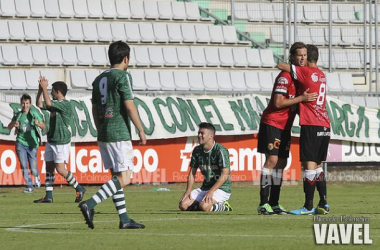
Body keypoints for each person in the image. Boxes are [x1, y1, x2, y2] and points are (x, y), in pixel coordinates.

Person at [78, 41, 147, 230]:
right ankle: (89, 204)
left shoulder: (98, 78)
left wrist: (100, 127)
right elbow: (129, 105)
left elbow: (94, 108)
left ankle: (124, 219)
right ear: (126, 58)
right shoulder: (123, 76)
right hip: (119, 132)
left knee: (116, 177)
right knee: (125, 178)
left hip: (104, 132)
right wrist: (140, 129)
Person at [257, 42, 318, 215]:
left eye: (305, 55)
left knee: (281, 163)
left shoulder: (301, 77)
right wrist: (301, 98)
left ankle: (274, 203)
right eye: (299, 55)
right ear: (292, 57)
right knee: (272, 161)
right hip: (272, 123)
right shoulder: (285, 76)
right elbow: (278, 103)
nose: (302, 58)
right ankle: (263, 203)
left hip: (285, 126)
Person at [277, 44, 330, 215]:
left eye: (304, 56)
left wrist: (295, 65)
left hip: (311, 124)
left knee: (309, 165)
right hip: (324, 124)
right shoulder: (321, 75)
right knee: (319, 166)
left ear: (307, 59)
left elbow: (280, 65)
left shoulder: (306, 72)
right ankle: (323, 203)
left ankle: (308, 206)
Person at [34, 77, 86, 203]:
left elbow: (49, 103)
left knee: (60, 169)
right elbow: (39, 104)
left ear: (57, 91)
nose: (50, 93)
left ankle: (79, 188)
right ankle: (49, 195)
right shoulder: (55, 104)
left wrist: (45, 88)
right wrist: (41, 90)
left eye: (52, 90)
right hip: (52, 138)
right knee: (49, 167)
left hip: (61, 140)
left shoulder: (65, 104)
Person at [179, 122, 232, 212]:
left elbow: (225, 175)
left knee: (204, 206)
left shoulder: (220, 150)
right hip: (205, 188)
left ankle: (224, 206)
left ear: (211, 136)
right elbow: (192, 173)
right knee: (183, 205)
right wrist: (188, 191)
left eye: (202, 133)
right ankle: (200, 206)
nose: (199, 135)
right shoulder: (197, 150)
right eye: (198, 133)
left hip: (222, 189)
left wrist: (211, 192)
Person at [8, 94, 45, 193]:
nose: (25, 105)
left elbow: (44, 126)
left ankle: (36, 176)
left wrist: (38, 123)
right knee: (24, 165)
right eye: (23, 103)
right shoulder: (18, 115)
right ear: (21, 104)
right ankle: (29, 186)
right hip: (20, 142)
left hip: (32, 144)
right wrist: (14, 124)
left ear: (30, 104)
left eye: (27, 103)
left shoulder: (34, 114)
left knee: (33, 167)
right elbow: (9, 126)